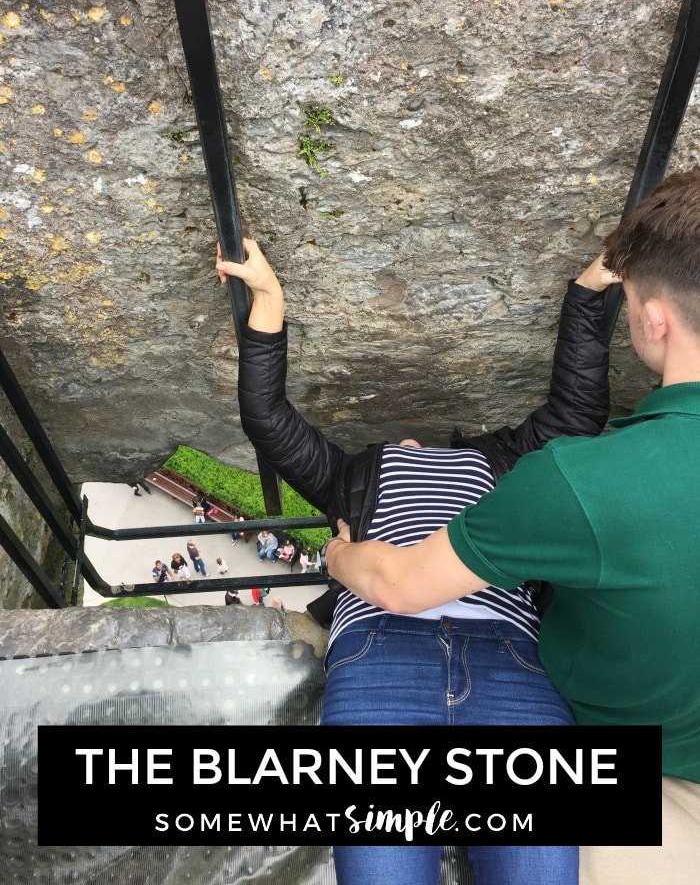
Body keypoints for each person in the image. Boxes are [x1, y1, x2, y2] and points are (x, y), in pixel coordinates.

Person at [321, 168, 700, 885]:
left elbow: (398, 584)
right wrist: (593, 296)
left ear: (653, 320)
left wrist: (337, 556)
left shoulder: (577, 479)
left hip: (635, 767)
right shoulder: (558, 474)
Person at [217, 237, 615, 885]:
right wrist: (268, 299)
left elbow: (577, 412)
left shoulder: (501, 461)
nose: (415, 441)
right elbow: (267, 418)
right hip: (383, 653)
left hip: (508, 654)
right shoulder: (352, 475)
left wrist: (590, 290)